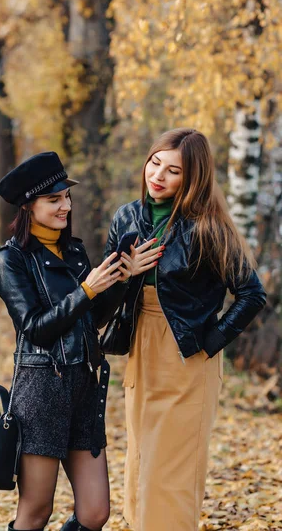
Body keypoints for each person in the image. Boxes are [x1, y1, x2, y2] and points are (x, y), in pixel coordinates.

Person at [103, 128, 267, 531]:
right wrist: (127, 276)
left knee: (171, 472)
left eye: (173, 170)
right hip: (142, 347)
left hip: (188, 353)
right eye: (154, 162)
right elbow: (104, 294)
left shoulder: (210, 228)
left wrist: (210, 342)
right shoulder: (127, 217)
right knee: (141, 463)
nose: (157, 175)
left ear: (192, 178)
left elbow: (251, 294)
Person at [0, 151, 131, 531]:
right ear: (29, 205)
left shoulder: (74, 251)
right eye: (54, 200)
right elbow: (35, 328)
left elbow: (93, 318)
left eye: (66, 198)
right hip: (41, 392)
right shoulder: (12, 259)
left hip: (84, 389)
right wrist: (86, 291)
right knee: (36, 511)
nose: (65, 206)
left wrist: (121, 280)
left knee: (94, 513)